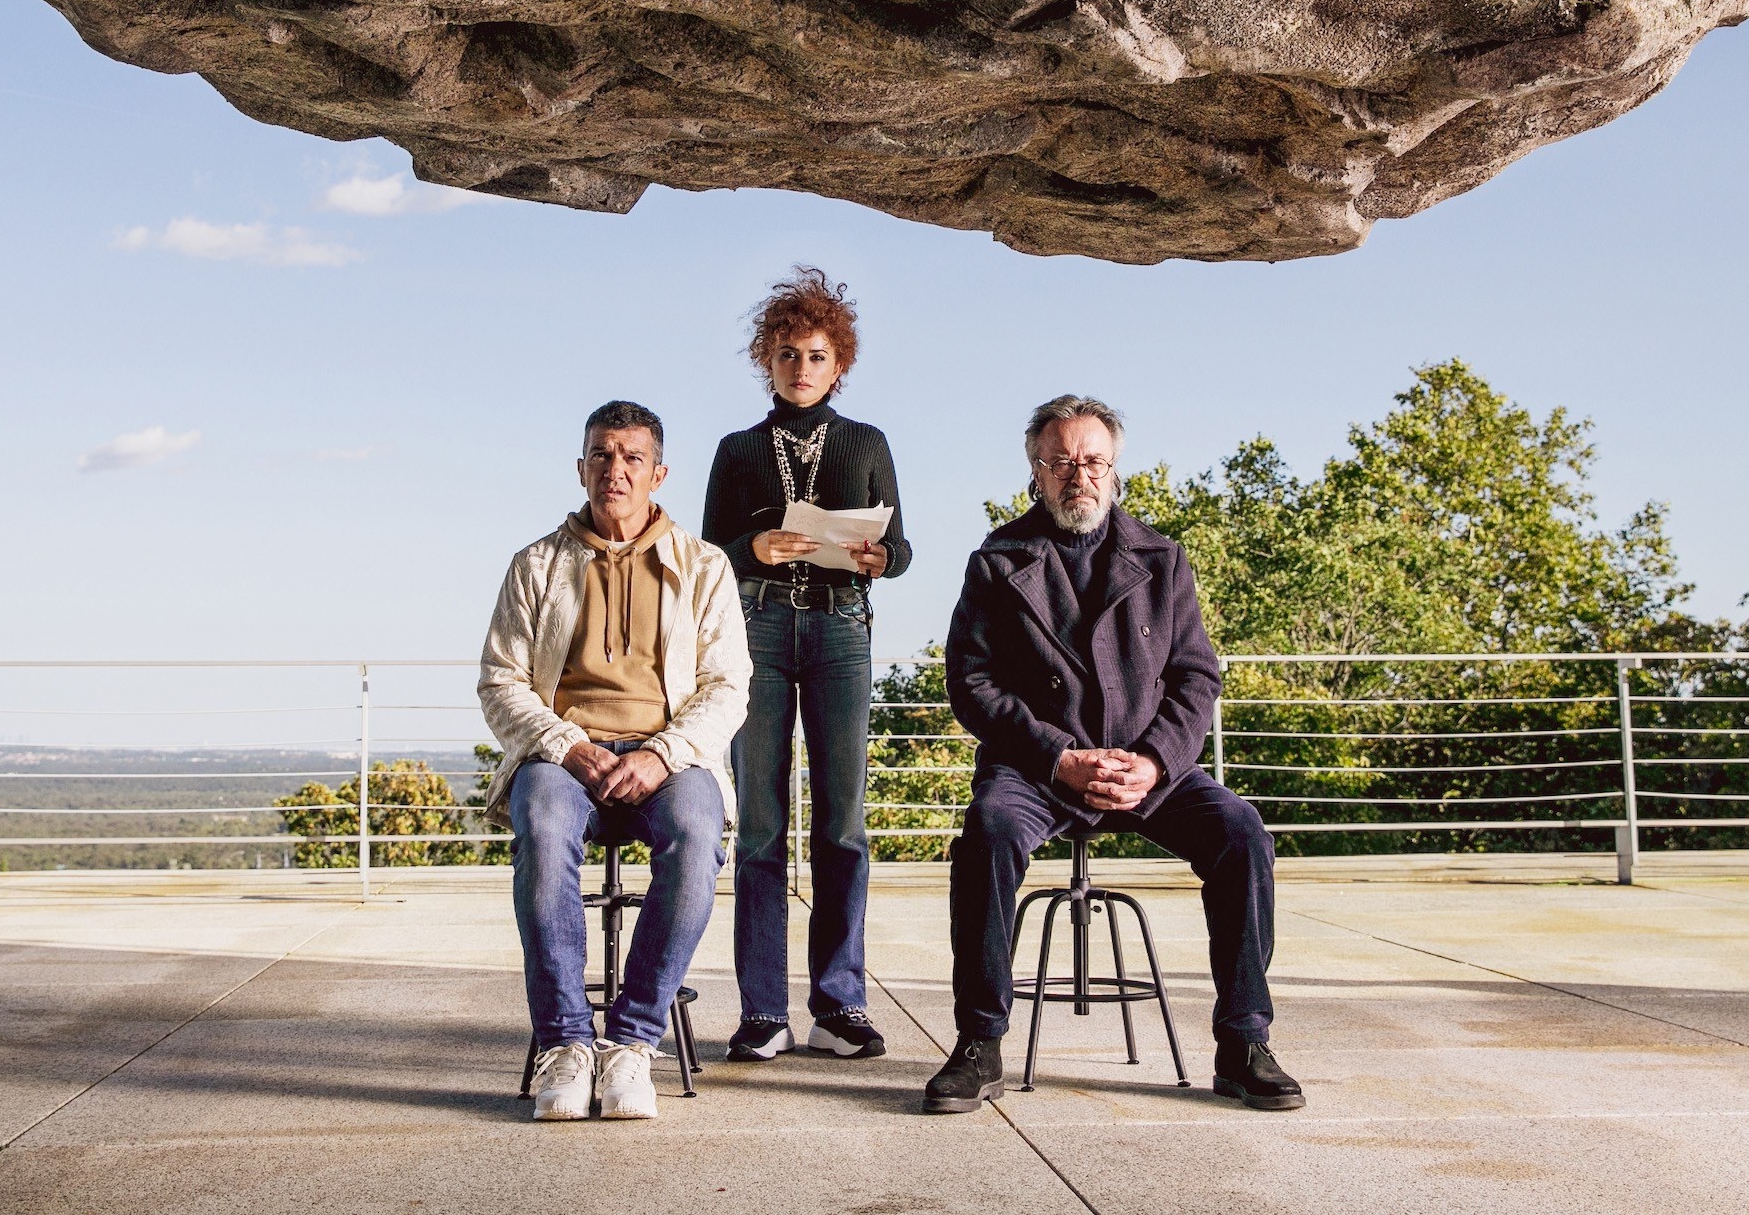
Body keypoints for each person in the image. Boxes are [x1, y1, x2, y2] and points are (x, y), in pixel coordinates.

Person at [920, 395, 1302, 1115]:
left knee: (1242, 830)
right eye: (1061, 461)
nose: (1079, 475)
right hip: (1037, 771)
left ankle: (1244, 1041)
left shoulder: (1163, 559)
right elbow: (970, 683)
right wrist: (1059, 757)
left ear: (1116, 469)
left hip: (1147, 766)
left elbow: (1196, 677)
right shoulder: (997, 562)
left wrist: (1155, 761)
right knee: (988, 832)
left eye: (1093, 460)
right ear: (1036, 472)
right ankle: (979, 1043)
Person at [478, 400, 749, 1122]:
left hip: (671, 760)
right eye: (601, 454)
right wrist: (567, 745)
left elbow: (728, 687)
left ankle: (631, 1042)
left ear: (658, 473)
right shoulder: (535, 564)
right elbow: (500, 680)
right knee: (538, 822)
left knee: (699, 835)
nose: (615, 470)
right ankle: (566, 1043)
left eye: (631, 457)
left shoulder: (705, 567)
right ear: (581, 468)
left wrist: (663, 755)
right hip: (563, 757)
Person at [703, 268, 912, 1062]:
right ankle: (763, 1010)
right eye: (787, 354)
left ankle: (840, 1004)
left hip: (840, 635)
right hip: (755, 632)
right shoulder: (737, 450)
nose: (801, 368)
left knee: (843, 826)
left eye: (817, 355)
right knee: (759, 826)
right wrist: (752, 547)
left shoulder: (867, 443)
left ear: (839, 364)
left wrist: (877, 555)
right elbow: (707, 553)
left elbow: (904, 548)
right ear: (767, 359)